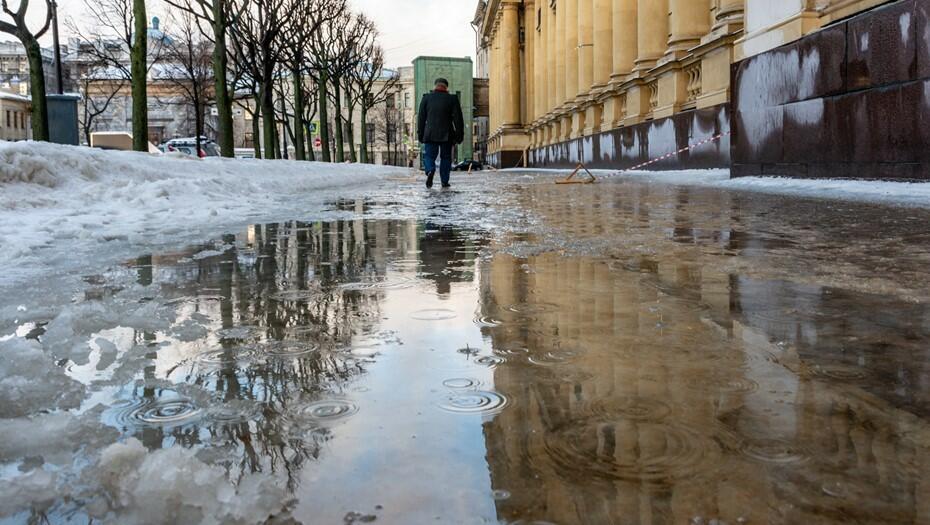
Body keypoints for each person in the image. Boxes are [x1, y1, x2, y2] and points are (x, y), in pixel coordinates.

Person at [417, 78, 465, 189]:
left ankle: (430, 170)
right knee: (446, 158)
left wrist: (420, 134)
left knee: (429, 156)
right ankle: (444, 181)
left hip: (430, 133)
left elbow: (421, 118)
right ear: (446, 87)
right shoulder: (452, 99)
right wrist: (459, 136)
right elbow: (458, 119)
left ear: (435, 86)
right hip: (447, 134)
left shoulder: (426, 98)